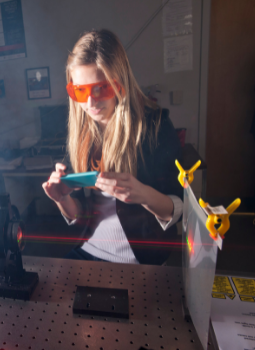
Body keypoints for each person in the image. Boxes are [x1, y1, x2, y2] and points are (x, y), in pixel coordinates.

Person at [42, 29, 183, 265]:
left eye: (101, 88)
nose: (90, 103)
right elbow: (78, 216)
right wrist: (61, 198)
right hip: (88, 249)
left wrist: (143, 195)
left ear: (121, 83)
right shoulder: (83, 132)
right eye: (80, 91)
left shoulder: (154, 126)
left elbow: (177, 211)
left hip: (139, 259)